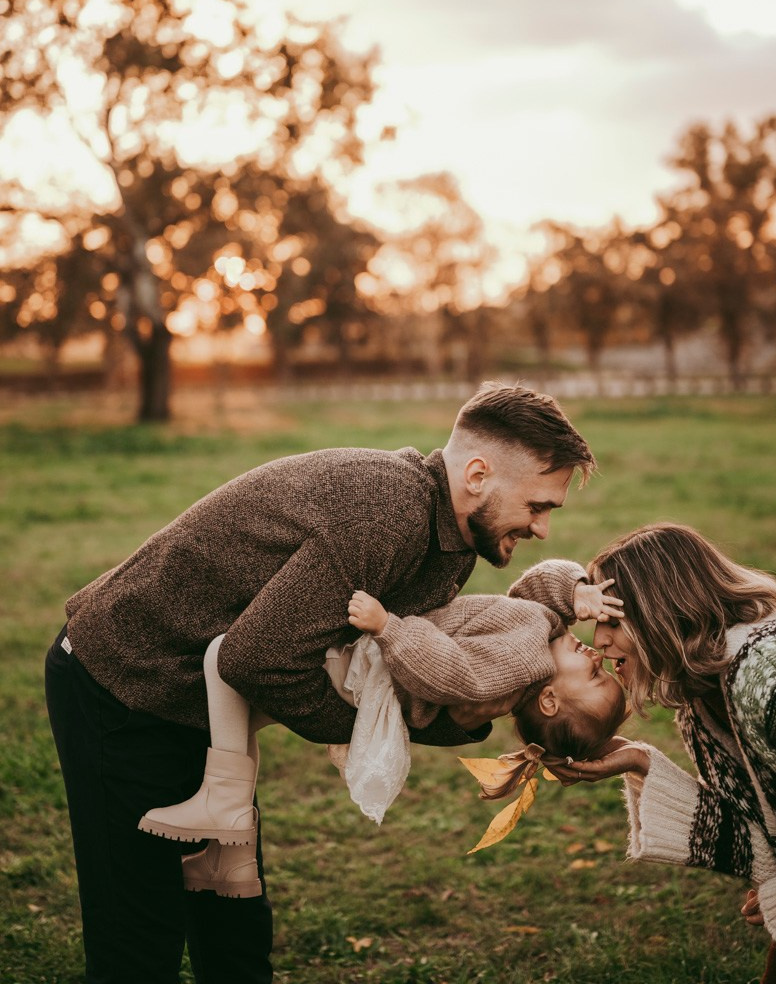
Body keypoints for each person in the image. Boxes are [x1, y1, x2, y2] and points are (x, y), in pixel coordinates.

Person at [44, 382, 596, 984]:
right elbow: (258, 661)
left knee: (233, 920)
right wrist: (413, 727)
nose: (542, 529)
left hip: (199, 705)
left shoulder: (455, 542)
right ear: (479, 475)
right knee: (139, 934)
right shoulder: (388, 511)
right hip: (122, 681)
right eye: (538, 506)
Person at [136, 560, 627, 873]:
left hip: (364, 666)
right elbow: (530, 589)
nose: (599, 659)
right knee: (243, 717)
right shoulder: (540, 635)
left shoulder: (522, 664)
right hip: (373, 664)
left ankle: (225, 808)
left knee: (226, 655)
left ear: (549, 701)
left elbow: (451, 675)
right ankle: (232, 858)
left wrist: (389, 627)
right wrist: (575, 588)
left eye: (596, 677)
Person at [545, 524, 776, 982]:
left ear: (662, 612)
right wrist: (640, 762)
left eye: (613, 621)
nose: (600, 642)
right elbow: (770, 835)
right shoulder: (702, 699)